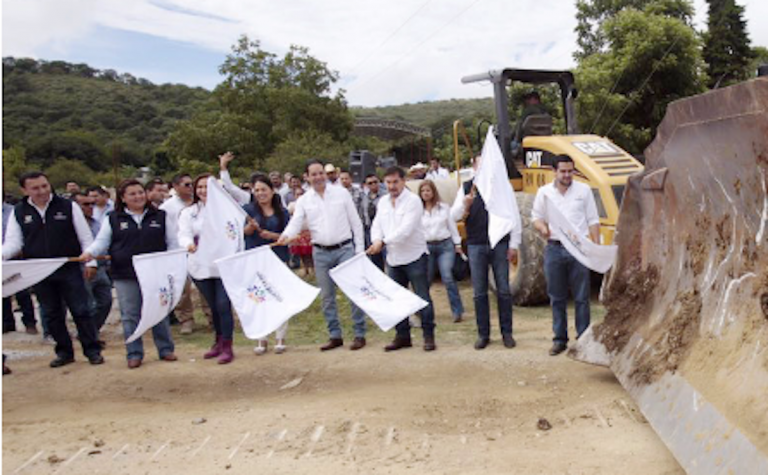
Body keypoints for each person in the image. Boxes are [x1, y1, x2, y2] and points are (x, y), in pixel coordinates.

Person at [2, 172, 104, 368]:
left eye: (44, 186)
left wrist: (91, 263)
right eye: (35, 188)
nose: (42, 191)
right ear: (25, 190)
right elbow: (14, 243)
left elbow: (85, 237)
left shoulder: (68, 206)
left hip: (68, 267)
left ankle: (92, 350)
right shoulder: (19, 211)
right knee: (51, 313)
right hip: (38, 271)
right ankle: (64, 352)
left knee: (81, 310)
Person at [81, 180, 178, 369]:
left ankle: (165, 349)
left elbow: (172, 243)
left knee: (158, 312)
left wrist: (174, 265)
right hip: (125, 273)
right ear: (123, 198)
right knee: (130, 315)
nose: (138, 197)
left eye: (140, 192)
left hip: (156, 273)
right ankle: (134, 353)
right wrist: (90, 253)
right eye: (132, 194)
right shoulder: (113, 218)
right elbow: (101, 242)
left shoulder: (160, 216)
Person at [276, 159, 367, 351]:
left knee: (354, 292)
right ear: (307, 177)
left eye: (321, 173)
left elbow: (356, 222)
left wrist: (359, 250)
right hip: (320, 253)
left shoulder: (341, 193)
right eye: (314, 174)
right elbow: (296, 222)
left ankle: (359, 334)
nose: (318, 177)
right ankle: (335, 335)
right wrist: (285, 236)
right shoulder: (304, 200)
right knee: (327, 296)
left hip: (345, 250)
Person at [531, 155, 600, 356]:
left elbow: (593, 220)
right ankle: (560, 340)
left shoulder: (584, 191)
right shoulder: (544, 193)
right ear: (554, 171)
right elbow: (536, 217)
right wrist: (543, 228)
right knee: (557, 297)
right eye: (563, 171)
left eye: (570, 171)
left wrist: (595, 247)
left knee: (582, 297)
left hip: (579, 249)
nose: (567, 175)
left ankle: (584, 340)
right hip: (554, 248)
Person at [451, 156, 521, 350]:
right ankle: (483, 334)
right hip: (476, 244)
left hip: (500, 243)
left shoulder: (503, 187)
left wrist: (514, 244)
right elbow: (453, 215)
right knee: (479, 292)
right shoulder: (467, 188)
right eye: (480, 165)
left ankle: (507, 333)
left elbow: (514, 216)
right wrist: (465, 204)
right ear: (474, 166)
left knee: (503, 291)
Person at [368, 167, 436, 351]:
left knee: (422, 298)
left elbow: (406, 230)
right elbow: (376, 225)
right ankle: (402, 336)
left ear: (403, 181)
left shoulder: (413, 201)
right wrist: (376, 240)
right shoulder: (382, 202)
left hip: (415, 257)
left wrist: (382, 242)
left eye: (395, 182)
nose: (392, 186)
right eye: (388, 182)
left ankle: (428, 336)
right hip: (393, 259)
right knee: (396, 299)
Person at [178, 174, 236, 364]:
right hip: (201, 266)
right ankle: (218, 342)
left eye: (207, 186)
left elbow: (234, 232)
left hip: (223, 265)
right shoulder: (189, 212)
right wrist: (188, 244)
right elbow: (184, 233)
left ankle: (227, 345)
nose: (203, 190)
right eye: (200, 187)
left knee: (223, 304)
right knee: (214, 306)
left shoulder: (227, 210)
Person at [243, 174, 291, 355]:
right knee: (259, 299)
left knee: (279, 297)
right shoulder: (247, 211)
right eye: (256, 190)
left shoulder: (282, 212)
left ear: (272, 190)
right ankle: (261, 338)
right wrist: (249, 229)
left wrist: (273, 236)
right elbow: (238, 233)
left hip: (278, 259)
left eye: (263, 189)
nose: (260, 193)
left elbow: (289, 235)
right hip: (255, 261)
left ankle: (280, 337)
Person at [160, 173, 206, 335]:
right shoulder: (167, 207)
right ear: (175, 187)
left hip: (201, 252)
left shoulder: (200, 204)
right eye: (186, 185)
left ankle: (212, 317)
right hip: (177, 251)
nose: (190, 187)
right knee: (182, 289)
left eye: (191, 184)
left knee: (204, 285)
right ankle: (186, 320)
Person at [419, 180, 464, 323]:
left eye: (428, 190)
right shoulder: (418, 210)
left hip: (445, 245)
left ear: (433, 192)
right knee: (426, 279)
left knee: (447, 276)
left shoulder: (443, 208)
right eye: (423, 191)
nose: (426, 193)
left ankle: (457, 311)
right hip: (427, 246)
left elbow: (452, 226)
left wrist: (457, 243)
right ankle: (422, 310)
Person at [74, 192, 113, 338]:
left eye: (92, 204)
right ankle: (89, 335)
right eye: (86, 204)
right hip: (81, 268)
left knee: (105, 301)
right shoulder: (70, 225)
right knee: (88, 304)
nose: (90, 207)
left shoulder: (97, 223)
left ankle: (91, 330)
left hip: (101, 267)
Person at [2, 197, 37, 335]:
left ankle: (29, 322)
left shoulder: (13, 211)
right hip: (1, 258)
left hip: (16, 255)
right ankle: (7, 323)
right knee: (3, 291)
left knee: (22, 290)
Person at [360, 173, 385, 270]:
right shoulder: (364, 197)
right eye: (370, 183)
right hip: (369, 231)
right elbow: (362, 213)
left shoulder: (385, 196)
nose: (373, 185)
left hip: (384, 231)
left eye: (375, 182)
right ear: (366, 185)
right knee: (375, 260)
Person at [287, 187, 314, 277]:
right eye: (297, 194)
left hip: (309, 231)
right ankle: (305, 268)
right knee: (302, 252)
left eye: (301, 194)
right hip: (298, 233)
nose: (299, 196)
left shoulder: (310, 204)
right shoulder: (292, 205)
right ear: (294, 196)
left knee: (310, 252)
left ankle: (312, 268)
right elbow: (289, 213)